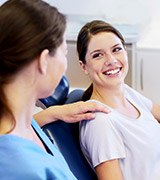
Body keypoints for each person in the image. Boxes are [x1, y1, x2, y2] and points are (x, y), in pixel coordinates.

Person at [0, 1, 109, 179]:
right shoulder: (21, 169)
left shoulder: (20, 121)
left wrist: (54, 113)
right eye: (64, 53)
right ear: (44, 61)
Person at [77, 20, 160, 180]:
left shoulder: (127, 93)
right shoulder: (100, 122)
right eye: (98, 55)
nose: (111, 60)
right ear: (84, 66)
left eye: (116, 50)